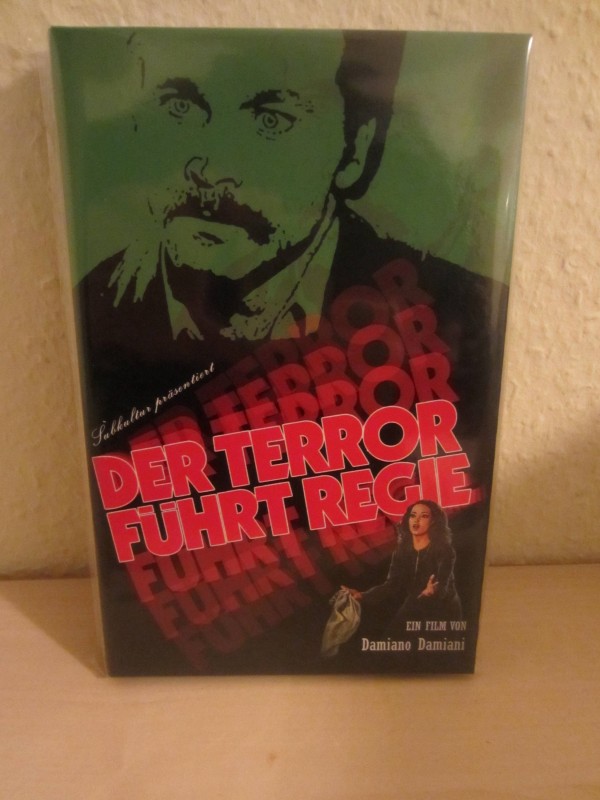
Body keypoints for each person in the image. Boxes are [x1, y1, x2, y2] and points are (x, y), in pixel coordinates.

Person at [343, 500, 462, 637]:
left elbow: (443, 583)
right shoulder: (401, 552)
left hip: (443, 608)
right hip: (415, 602)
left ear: (433, 521)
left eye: (424, 516)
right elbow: (392, 584)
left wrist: (434, 590)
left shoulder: (444, 550)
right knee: (389, 642)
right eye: (413, 515)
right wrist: (362, 595)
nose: (416, 520)